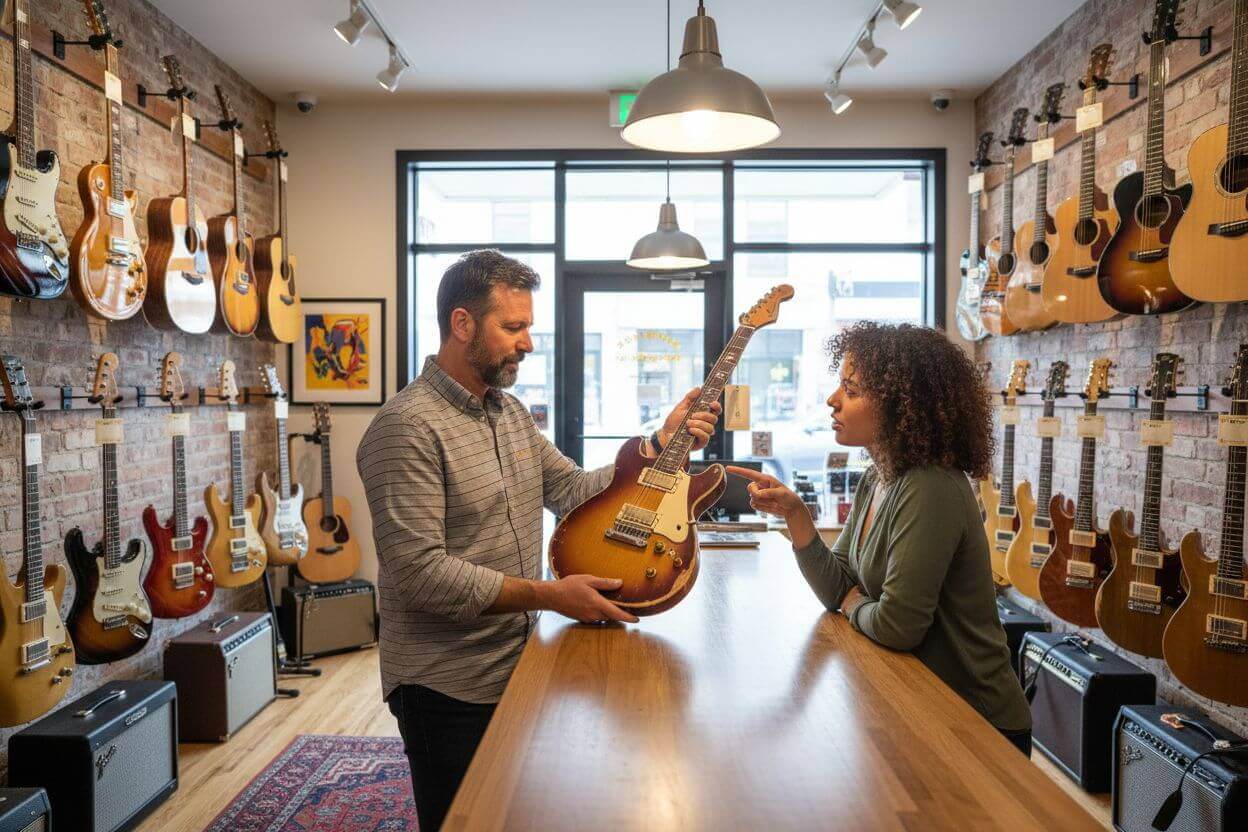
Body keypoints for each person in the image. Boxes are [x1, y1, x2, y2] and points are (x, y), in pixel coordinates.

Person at [356, 249, 720, 829]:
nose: (528, 343)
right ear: (462, 324)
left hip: (520, 663)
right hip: (446, 685)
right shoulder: (405, 428)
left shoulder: (511, 414)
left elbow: (575, 490)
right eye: (514, 327)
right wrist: (551, 595)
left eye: (529, 327)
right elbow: (420, 573)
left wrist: (660, 443)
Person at [727, 321, 1032, 755]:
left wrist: (855, 602)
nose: (833, 401)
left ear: (901, 406)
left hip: (976, 722)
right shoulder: (879, 476)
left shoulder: (929, 487)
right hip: (921, 705)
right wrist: (796, 514)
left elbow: (897, 626)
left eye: (851, 391)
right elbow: (838, 586)